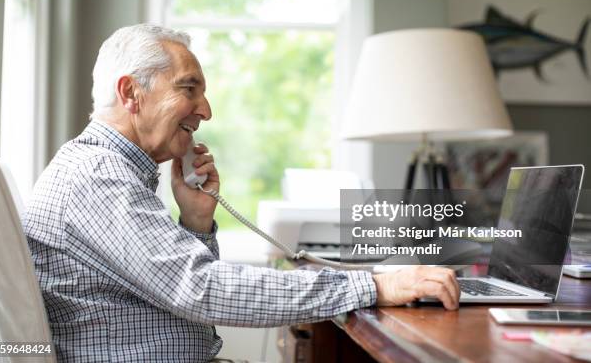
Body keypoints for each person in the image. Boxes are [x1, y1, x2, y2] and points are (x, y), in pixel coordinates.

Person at [23, 24, 459, 362]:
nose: (206, 110)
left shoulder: (106, 171)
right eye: (189, 89)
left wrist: (195, 222)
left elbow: (178, 288)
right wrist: (375, 286)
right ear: (131, 93)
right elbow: (201, 289)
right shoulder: (99, 175)